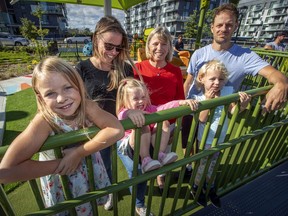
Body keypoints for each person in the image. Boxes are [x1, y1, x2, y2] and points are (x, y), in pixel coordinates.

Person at [0, 57, 124, 215]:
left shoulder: (87, 106)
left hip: (89, 178)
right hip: (62, 186)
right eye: (50, 93)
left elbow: (116, 129)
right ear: (40, 98)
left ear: (79, 85)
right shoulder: (44, 121)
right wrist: (63, 163)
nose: (61, 98)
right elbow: (5, 171)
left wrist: (79, 153)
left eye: (67, 88)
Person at [182, 3, 288, 166]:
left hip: (218, 116)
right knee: (187, 146)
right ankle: (188, 169)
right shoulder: (199, 53)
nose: (223, 29)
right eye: (219, 25)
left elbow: (273, 73)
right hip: (192, 109)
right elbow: (189, 81)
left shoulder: (245, 56)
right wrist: (182, 106)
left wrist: (281, 84)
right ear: (212, 27)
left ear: (235, 26)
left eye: (229, 25)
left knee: (208, 155)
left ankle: (201, 181)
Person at [76, 15, 136, 210]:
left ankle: (139, 199)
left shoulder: (125, 68)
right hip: (98, 130)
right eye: (109, 46)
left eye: (118, 48)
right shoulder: (82, 68)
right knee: (105, 166)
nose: (113, 52)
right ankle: (109, 190)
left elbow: (133, 96)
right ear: (95, 39)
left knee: (136, 166)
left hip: (123, 127)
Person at [190, 60, 251, 208]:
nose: (217, 83)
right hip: (205, 139)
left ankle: (209, 186)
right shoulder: (199, 98)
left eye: (221, 79)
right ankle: (197, 187)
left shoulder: (227, 92)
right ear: (202, 79)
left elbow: (233, 111)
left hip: (221, 137)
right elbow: (201, 119)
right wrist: (209, 101)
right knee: (203, 165)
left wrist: (242, 104)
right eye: (212, 79)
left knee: (214, 164)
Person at [133, 26, 185, 194]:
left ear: (170, 47)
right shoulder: (138, 69)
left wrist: (175, 128)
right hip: (143, 124)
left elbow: (180, 100)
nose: (159, 48)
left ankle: (160, 177)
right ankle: (141, 188)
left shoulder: (175, 71)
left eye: (164, 44)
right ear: (148, 46)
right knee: (142, 159)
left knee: (164, 156)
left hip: (166, 125)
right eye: (155, 43)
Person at [116, 78, 198, 173]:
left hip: (147, 143)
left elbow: (164, 108)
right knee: (142, 126)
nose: (141, 101)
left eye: (143, 97)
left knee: (164, 122)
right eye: (136, 99)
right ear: (124, 100)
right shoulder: (124, 111)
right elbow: (121, 116)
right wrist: (130, 112)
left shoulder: (149, 108)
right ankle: (145, 160)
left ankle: (160, 154)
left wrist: (180, 102)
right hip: (132, 147)